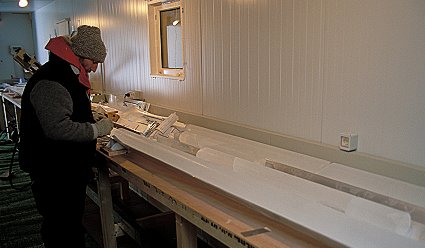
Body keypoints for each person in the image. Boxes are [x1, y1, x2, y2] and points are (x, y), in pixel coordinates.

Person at [18, 25, 114, 248]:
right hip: (54, 171)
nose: (95, 68)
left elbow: (65, 110)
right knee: (62, 227)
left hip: (62, 168)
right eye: (94, 61)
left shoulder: (64, 73)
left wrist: (88, 116)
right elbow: (58, 128)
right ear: (80, 54)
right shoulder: (53, 80)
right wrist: (96, 130)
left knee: (67, 223)